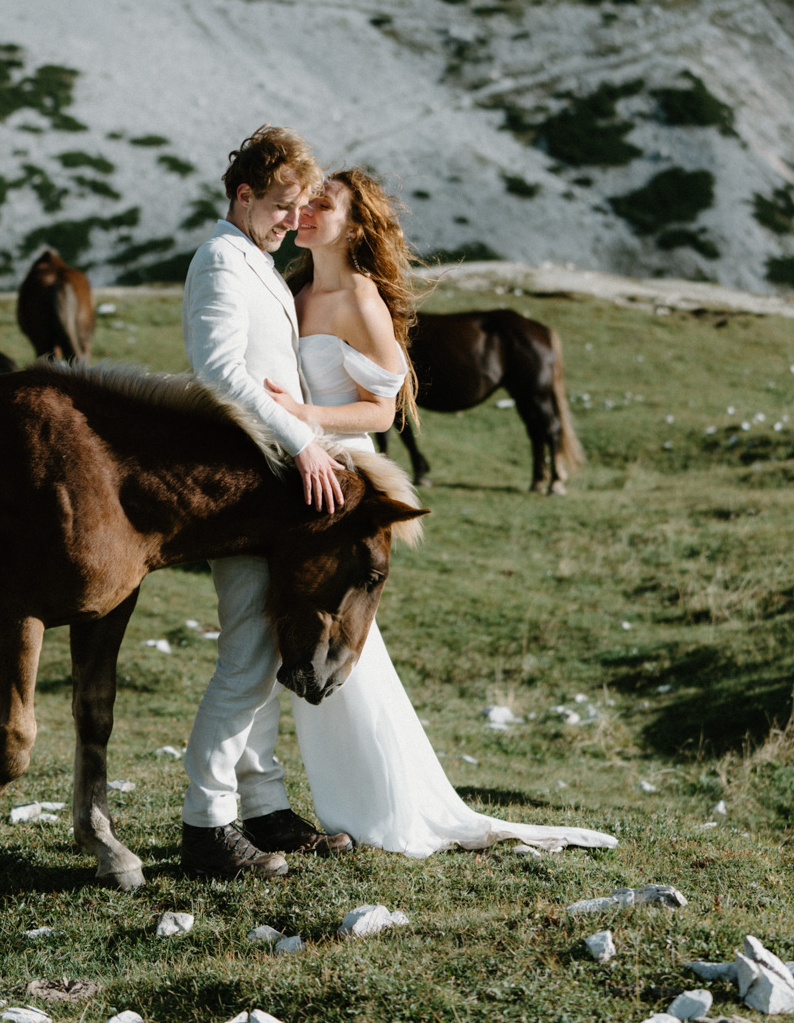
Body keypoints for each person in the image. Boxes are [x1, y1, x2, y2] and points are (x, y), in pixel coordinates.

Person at [267, 169, 617, 856]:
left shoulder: (360, 299)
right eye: (305, 202)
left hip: (344, 480)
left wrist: (306, 416)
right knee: (310, 633)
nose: (306, 212)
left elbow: (384, 407)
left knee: (344, 638)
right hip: (296, 477)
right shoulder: (295, 289)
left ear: (356, 226)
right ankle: (338, 801)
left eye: (323, 204)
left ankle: (383, 809)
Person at [180, 125, 353, 879]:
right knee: (246, 659)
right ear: (243, 195)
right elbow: (217, 369)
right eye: (283, 205)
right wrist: (303, 440)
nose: (293, 219)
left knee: (262, 650)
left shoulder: (254, 259)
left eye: (301, 207)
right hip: (242, 482)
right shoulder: (221, 259)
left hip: (271, 487)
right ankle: (207, 826)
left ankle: (268, 810)